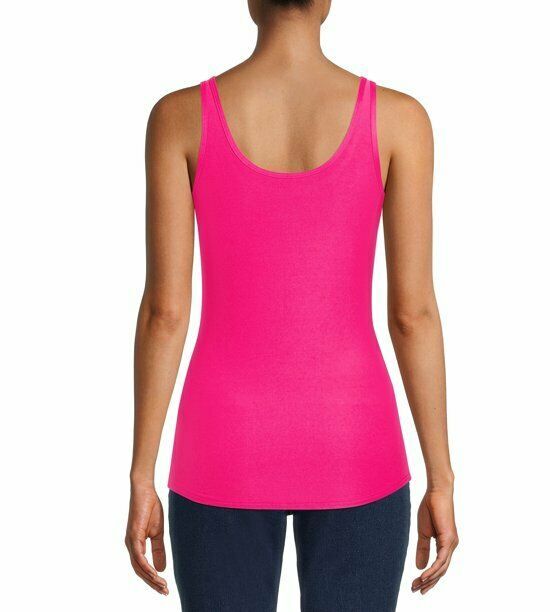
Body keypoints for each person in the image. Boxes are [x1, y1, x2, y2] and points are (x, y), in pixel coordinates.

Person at [125, 0, 458, 609]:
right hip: (355, 445)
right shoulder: (399, 120)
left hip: (221, 447)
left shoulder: (178, 118)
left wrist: (141, 473)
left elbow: (165, 313)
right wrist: (442, 477)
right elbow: (413, 317)